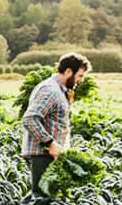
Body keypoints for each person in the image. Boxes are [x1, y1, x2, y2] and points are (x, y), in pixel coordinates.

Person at [20, 52, 91, 195]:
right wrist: (50, 143)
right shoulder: (50, 90)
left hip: (49, 155)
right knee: (41, 201)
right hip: (42, 155)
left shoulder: (59, 90)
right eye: (80, 76)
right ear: (68, 71)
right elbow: (29, 119)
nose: (81, 80)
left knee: (46, 201)